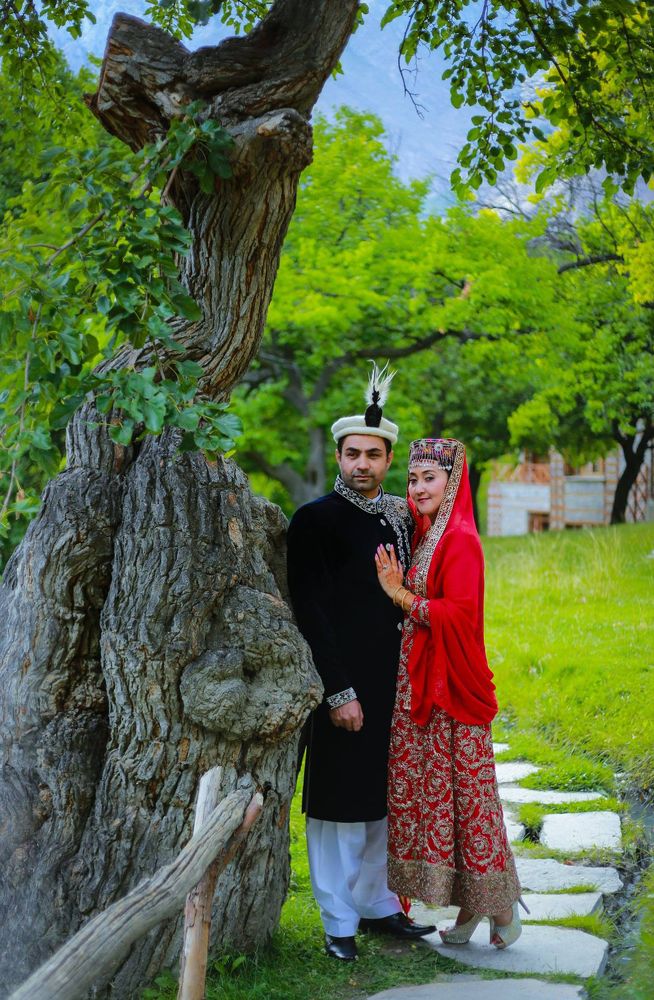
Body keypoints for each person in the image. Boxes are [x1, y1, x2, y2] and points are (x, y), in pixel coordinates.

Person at [287, 366, 435, 962]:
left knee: (383, 800)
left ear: (388, 455)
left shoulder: (400, 517)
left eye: (374, 454)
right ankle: (338, 919)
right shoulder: (315, 520)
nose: (362, 464)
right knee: (340, 806)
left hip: (398, 682)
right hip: (344, 683)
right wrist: (337, 689)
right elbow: (311, 611)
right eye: (353, 453)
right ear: (340, 454)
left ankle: (378, 907)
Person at [374, 437, 526, 949]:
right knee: (446, 806)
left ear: (453, 480)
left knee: (468, 802)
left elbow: (459, 614)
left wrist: (400, 596)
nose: (417, 488)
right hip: (423, 689)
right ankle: (470, 907)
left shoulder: (459, 539)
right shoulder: (429, 535)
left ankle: (500, 906)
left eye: (429, 478)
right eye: (413, 479)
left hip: (451, 696)